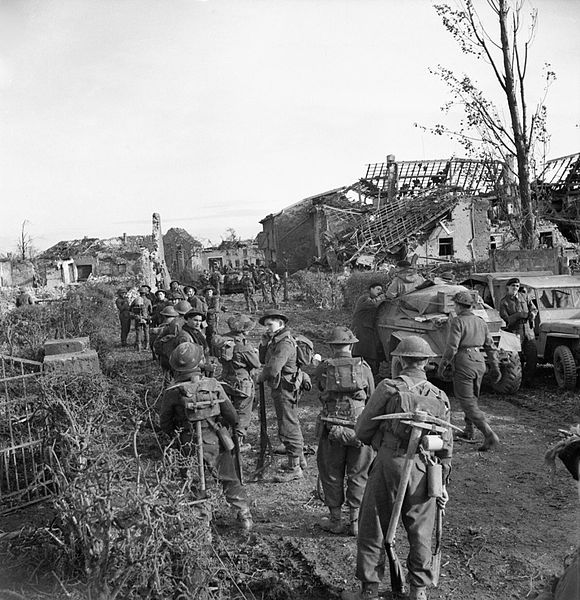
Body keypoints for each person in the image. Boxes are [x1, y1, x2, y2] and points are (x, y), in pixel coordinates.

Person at [342, 336, 453, 600]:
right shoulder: (439, 395)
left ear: (401, 359)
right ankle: (419, 591)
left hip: (389, 463)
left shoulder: (388, 388)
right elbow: (446, 446)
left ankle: (369, 591)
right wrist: (443, 481)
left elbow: (362, 430)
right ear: (426, 362)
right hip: (425, 467)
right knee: (421, 530)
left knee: (374, 526)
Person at [159, 342, 253, 531]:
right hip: (214, 442)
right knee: (229, 478)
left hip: (187, 444)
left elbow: (165, 424)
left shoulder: (172, 392)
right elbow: (233, 416)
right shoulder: (214, 385)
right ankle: (244, 515)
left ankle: (202, 522)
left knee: (193, 482)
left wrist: (176, 439)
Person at [314, 326, 375, 536]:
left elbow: (320, 390)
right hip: (360, 430)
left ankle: (335, 521)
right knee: (359, 472)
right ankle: (356, 523)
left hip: (331, 427)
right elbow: (372, 395)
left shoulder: (323, 368)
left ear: (331, 346)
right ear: (352, 344)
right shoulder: (364, 368)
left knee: (331, 472)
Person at [437, 291, 501, 451]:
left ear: (458, 306)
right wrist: (495, 366)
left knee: (467, 401)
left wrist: (442, 365)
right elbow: (490, 346)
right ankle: (469, 430)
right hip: (479, 361)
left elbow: (452, 347)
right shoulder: (480, 321)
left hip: (464, 362)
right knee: (472, 398)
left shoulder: (458, 321)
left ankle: (489, 435)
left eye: (455, 305)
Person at [257, 309, 306, 482]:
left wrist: (259, 377)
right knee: (289, 421)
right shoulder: (274, 340)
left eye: (270, 324)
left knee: (287, 424)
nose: (267, 328)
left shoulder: (284, 343)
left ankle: (295, 468)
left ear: (281, 323)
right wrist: (263, 344)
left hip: (286, 388)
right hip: (282, 387)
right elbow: (264, 360)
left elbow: (272, 368)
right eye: (266, 325)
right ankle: (299, 459)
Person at [213, 315, 261, 452]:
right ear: (242, 330)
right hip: (242, 383)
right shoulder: (242, 345)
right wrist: (254, 353)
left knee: (228, 410)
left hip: (226, 380)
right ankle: (238, 443)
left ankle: (225, 438)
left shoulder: (224, 340)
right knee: (243, 412)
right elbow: (256, 363)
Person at [499, 277, 538, 380]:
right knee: (517, 358)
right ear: (508, 287)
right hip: (515, 331)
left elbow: (533, 309)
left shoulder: (524, 297)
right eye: (513, 286)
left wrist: (533, 314)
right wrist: (519, 315)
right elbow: (506, 318)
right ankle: (518, 380)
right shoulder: (504, 302)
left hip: (528, 331)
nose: (515, 288)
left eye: (517, 286)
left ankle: (528, 380)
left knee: (532, 356)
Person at [352, 282, 386, 376]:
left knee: (368, 351)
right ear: (371, 289)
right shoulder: (364, 298)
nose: (380, 292)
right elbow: (372, 304)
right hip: (361, 328)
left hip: (368, 328)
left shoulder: (372, 298)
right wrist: (383, 297)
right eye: (378, 289)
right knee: (361, 351)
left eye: (381, 290)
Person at [153, 305, 182, 385]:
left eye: (167, 317)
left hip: (170, 356)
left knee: (171, 378)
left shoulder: (175, 325)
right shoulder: (169, 326)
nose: (165, 319)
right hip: (166, 356)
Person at [204, 287, 223, 352]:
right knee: (207, 334)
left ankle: (214, 350)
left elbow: (216, 309)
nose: (208, 293)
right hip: (206, 319)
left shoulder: (215, 299)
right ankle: (209, 349)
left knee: (213, 334)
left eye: (210, 292)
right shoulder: (205, 299)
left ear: (212, 292)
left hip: (213, 318)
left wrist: (206, 311)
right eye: (207, 292)